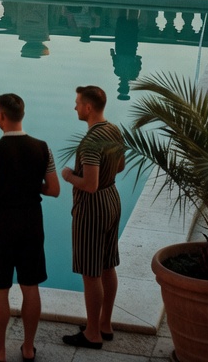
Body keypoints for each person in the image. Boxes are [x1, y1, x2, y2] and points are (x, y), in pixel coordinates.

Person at [0, 94, 60, 362]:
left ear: (1, 117)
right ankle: (28, 348)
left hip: (1, 225)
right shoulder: (43, 148)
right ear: (22, 116)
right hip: (32, 223)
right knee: (30, 285)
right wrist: (34, 187)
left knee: (0, 288)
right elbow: (54, 190)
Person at [61, 85, 125, 350]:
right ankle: (104, 324)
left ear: (88, 107)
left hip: (93, 208)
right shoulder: (113, 130)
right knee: (108, 265)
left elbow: (89, 184)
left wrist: (68, 176)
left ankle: (92, 333)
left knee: (91, 272)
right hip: (112, 199)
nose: (75, 107)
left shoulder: (90, 142)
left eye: (77, 103)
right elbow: (120, 166)